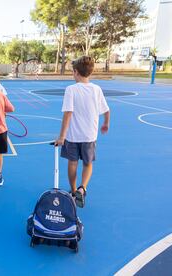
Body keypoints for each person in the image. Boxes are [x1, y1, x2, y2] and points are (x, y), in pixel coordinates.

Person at [54, 56, 110, 208]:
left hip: (73, 136)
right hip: (89, 135)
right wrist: (105, 123)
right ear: (90, 73)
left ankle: (73, 191)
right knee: (87, 163)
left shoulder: (71, 89)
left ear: (76, 72)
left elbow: (68, 113)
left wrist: (61, 137)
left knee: (72, 163)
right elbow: (106, 110)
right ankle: (82, 188)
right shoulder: (97, 89)